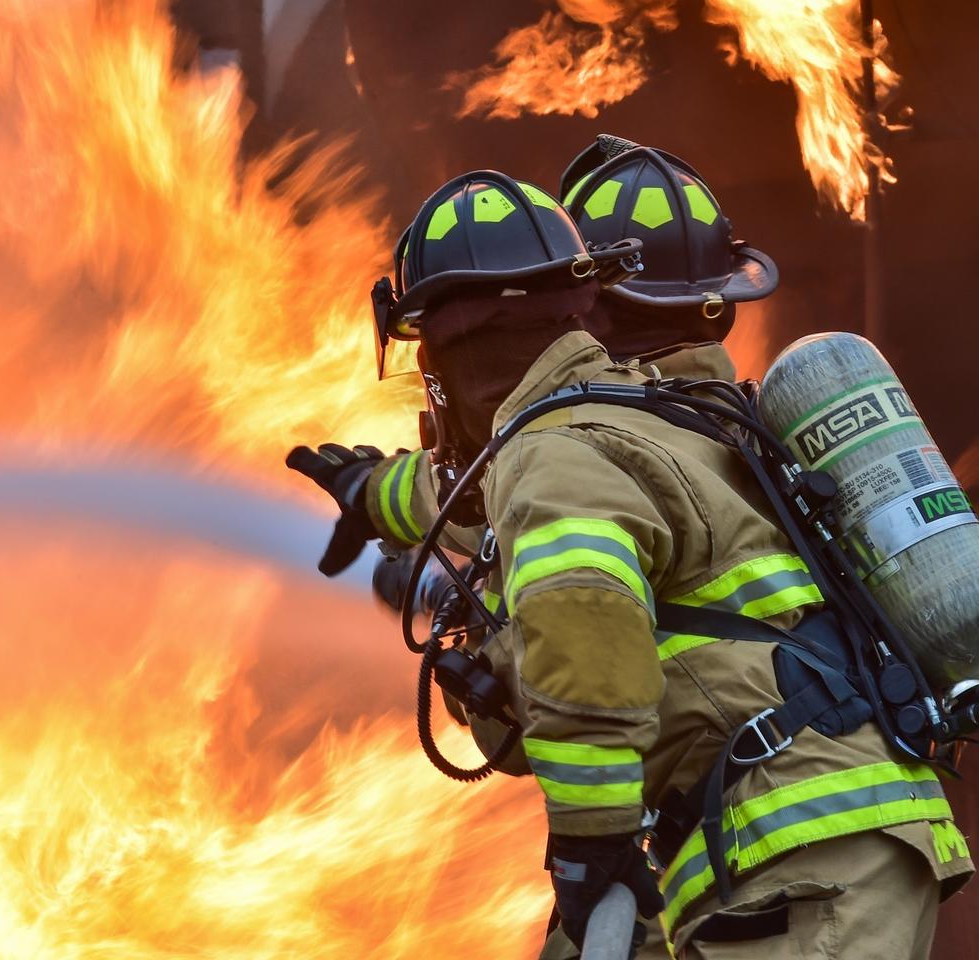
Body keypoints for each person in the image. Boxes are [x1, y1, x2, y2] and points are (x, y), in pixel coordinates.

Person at [287, 160, 972, 959]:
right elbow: (470, 489)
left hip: (797, 846)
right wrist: (372, 493)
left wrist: (590, 842)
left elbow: (582, 635)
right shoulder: (646, 421)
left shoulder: (558, 456)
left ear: (448, 357)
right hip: (804, 838)